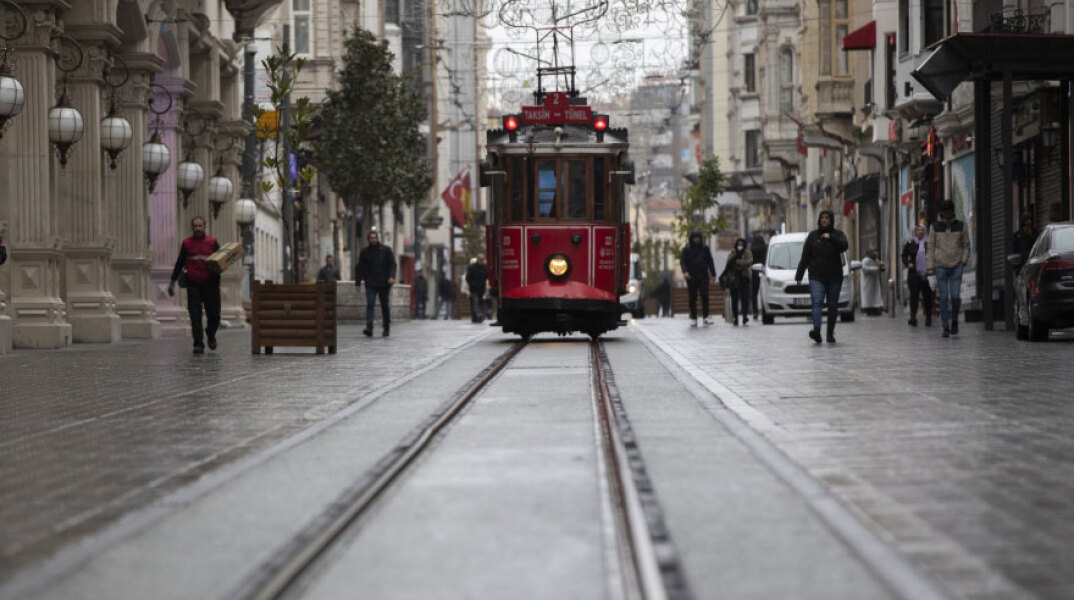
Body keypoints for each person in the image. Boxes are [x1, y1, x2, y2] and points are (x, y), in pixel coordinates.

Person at [168, 216, 221, 354]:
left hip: (211, 285)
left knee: (214, 316)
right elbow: (180, 263)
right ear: (192, 228)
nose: (198, 228)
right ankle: (198, 344)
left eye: (200, 226)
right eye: (195, 226)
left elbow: (222, 261)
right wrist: (172, 282)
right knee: (195, 316)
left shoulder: (213, 243)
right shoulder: (186, 244)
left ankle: (210, 334)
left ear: (205, 227)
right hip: (193, 285)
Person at [795, 209, 849, 344]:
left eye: (827, 218)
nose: (824, 220)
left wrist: (830, 238)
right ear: (819, 220)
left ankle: (830, 333)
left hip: (834, 276)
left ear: (831, 220)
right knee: (817, 303)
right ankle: (817, 331)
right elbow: (805, 257)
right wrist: (799, 275)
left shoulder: (838, 235)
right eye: (822, 218)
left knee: (832, 305)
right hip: (816, 276)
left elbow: (844, 246)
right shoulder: (812, 236)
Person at [926, 199, 970, 338]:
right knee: (944, 297)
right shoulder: (934, 226)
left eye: (949, 212)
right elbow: (931, 247)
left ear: (952, 212)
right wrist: (930, 267)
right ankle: (945, 326)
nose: (946, 215)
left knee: (956, 296)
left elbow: (966, 244)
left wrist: (963, 260)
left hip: (956, 265)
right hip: (940, 266)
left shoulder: (960, 225)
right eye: (944, 213)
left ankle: (955, 321)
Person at [355, 230, 396, 337]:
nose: (373, 239)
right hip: (370, 283)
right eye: (371, 238)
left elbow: (392, 264)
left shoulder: (386, 250)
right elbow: (360, 267)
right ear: (368, 239)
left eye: (375, 237)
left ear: (377, 238)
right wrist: (358, 282)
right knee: (370, 305)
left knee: (384, 306)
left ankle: (386, 327)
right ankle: (369, 327)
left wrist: (391, 277)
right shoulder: (364, 252)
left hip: (384, 283)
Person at [679, 231, 717, 326]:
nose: (696, 239)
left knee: (705, 296)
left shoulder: (705, 249)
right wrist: (685, 272)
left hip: (703, 276)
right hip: (691, 277)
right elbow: (683, 262)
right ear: (691, 239)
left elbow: (710, 261)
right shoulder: (686, 250)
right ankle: (694, 318)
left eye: (698, 237)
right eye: (694, 238)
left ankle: (706, 317)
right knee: (692, 298)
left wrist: (713, 273)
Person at [901, 225, 933, 327]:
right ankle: (913, 317)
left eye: (922, 230)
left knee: (928, 296)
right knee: (914, 296)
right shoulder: (911, 243)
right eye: (918, 230)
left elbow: (933, 255)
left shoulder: (928, 244)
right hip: (914, 273)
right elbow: (904, 255)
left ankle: (928, 317)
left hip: (926, 274)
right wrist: (908, 264)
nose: (920, 232)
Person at [725, 237, 753, 326]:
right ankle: (735, 317)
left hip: (744, 277)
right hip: (734, 278)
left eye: (741, 244)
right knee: (734, 299)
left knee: (745, 298)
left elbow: (751, 261)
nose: (740, 246)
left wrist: (742, 263)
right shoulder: (732, 253)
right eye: (738, 244)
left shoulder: (747, 252)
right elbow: (728, 264)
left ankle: (745, 316)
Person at [860, 249, 886, 316]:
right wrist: (877, 269)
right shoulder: (865, 261)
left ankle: (876, 309)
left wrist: (881, 266)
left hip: (874, 282)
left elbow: (881, 267)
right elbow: (865, 269)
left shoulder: (876, 260)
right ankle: (870, 310)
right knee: (869, 297)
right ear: (869, 254)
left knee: (876, 296)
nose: (874, 255)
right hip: (867, 283)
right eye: (872, 253)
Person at [465, 255, 489, 323]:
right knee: (476, 301)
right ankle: (478, 314)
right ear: (478, 259)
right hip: (474, 288)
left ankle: (476, 317)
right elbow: (468, 278)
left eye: (482, 259)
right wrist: (473, 284)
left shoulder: (484, 267)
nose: (482, 260)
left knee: (479, 302)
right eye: (481, 259)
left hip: (481, 288)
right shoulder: (472, 267)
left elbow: (487, 276)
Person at [749, 233, 768, 319]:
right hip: (764, 271)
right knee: (765, 291)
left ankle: (755, 312)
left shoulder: (751, 249)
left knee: (754, 293)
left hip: (754, 272)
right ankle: (766, 309)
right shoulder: (766, 248)